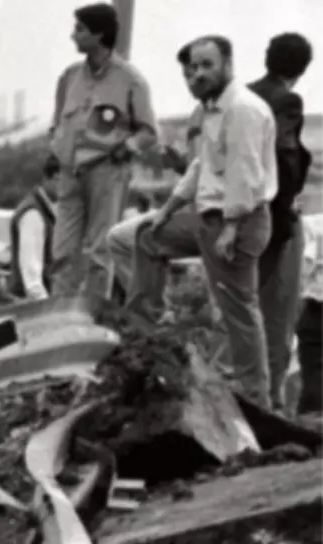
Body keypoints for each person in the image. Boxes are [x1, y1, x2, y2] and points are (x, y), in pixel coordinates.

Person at [150, 36, 278, 407]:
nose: (198, 74)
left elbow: (244, 173)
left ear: (228, 64)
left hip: (237, 220)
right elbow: (201, 166)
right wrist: (168, 209)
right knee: (139, 238)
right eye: (192, 68)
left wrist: (232, 227)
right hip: (210, 219)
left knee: (239, 311)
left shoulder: (241, 109)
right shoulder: (213, 111)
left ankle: (255, 398)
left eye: (207, 65)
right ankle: (150, 329)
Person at [46, 3, 158, 299]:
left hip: (107, 171)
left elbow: (148, 132)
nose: (73, 35)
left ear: (99, 35)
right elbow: (57, 123)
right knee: (62, 251)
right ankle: (59, 314)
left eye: (80, 29)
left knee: (100, 251)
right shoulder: (69, 77)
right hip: (70, 172)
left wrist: (127, 147)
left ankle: (94, 314)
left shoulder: (130, 80)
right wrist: (55, 150)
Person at [106, 40, 205, 318]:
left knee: (132, 238)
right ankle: (157, 311)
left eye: (201, 70)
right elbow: (201, 170)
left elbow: (209, 174)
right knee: (120, 238)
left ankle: (155, 314)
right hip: (195, 209)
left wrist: (169, 207)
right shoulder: (200, 114)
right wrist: (180, 164)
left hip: (216, 216)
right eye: (188, 74)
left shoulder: (225, 113)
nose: (193, 80)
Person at [247, 33, 313, 410]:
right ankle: (269, 402)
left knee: (240, 310)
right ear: (303, 68)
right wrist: (286, 204)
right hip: (272, 221)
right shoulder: (286, 100)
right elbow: (285, 155)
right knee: (277, 316)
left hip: (232, 216)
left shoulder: (242, 95)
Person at [9, 176, 57, 301]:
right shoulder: (33, 214)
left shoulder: (46, 210)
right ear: (54, 178)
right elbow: (31, 277)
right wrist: (47, 306)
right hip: (33, 305)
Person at [297, 218, 322, 417]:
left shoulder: (314, 226)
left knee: (315, 368)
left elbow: (305, 267)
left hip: (318, 309)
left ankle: (314, 415)